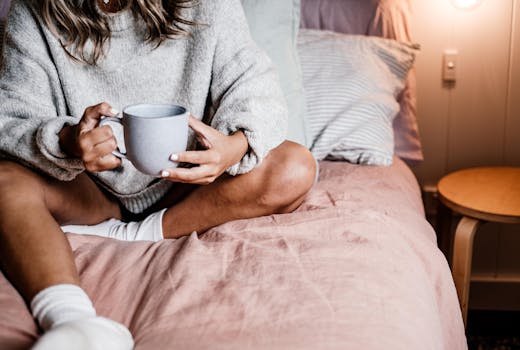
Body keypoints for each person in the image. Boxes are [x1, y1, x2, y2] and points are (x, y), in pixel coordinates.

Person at [0, 0, 317, 348]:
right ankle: (72, 321)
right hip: (87, 188)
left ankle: (136, 233)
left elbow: (255, 85)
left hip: (187, 186)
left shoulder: (209, 5)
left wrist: (233, 147)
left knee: (294, 166)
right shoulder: (32, 12)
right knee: (4, 181)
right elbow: (12, 117)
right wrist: (68, 140)